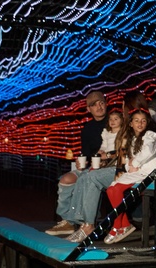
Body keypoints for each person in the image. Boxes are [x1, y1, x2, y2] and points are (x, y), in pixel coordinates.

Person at [63, 91, 156, 242]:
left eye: (123, 106)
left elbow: (129, 150)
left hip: (134, 170)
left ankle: (87, 226)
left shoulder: (135, 124)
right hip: (124, 167)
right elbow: (122, 150)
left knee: (91, 177)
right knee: (86, 175)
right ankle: (82, 223)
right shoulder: (122, 125)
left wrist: (113, 162)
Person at [45, 91, 108, 236]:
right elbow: (85, 153)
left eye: (101, 103)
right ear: (88, 109)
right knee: (65, 179)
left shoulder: (113, 121)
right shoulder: (87, 128)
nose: (99, 107)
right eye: (94, 105)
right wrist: (81, 162)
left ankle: (79, 221)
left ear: (106, 104)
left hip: (105, 167)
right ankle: (67, 220)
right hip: (91, 165)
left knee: (85, 179)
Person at [104, 109, 156, 244]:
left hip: (150, 173)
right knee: (111, 190)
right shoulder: (132, 139)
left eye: (143, 121)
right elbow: (128, 161)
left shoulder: (150, 135)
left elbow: (148, 150)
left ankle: (117, 225)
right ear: (131, 124)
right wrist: (128, 166)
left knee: (116, 189)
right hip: (137, 173)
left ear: (147, 123)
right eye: (136, 121)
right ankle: (124, 223)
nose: (140, 123)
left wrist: (134, 163)